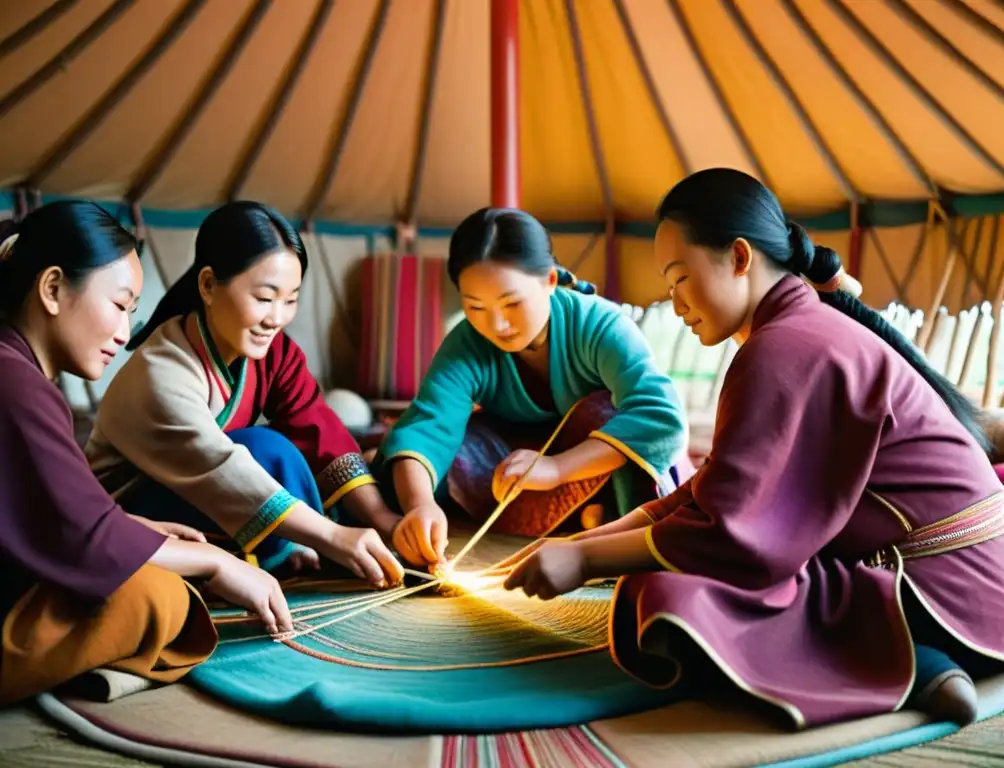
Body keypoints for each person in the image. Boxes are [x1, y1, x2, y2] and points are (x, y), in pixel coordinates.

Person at [499, 169, 1004, 728]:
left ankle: (915, 665)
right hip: (988, 591)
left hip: (940, 596)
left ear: (740, 257)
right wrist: (581, 542)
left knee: (674, 592)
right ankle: (921, 667)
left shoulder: (784, 348)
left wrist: (585, 560)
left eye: (680, 278)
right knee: (688, 566)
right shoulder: (797, 330)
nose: (674, 302)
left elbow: (732, 536)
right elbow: (710, 494)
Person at [0, 201, 293, 705]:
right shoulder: (13, 380)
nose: (123, 330)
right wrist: (211, 563)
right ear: (52, 289)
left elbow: (60, 506)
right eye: (118, 305)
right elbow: (79, 531)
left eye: (133, 311)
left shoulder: (23, 374)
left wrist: (134, 528)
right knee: (157, 597)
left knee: (266, 455)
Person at [85, 202, 404, 588]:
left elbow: (317, 428)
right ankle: (290, 558)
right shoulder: (160, 374)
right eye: (265, 298)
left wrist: (385, 521)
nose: (277, 318)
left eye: (290, 300)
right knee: (268, 449)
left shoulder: (272, 352)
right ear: (207, 285)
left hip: (215, 501)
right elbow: (224, 470)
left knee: (330, 460)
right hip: (133, 520)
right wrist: (332, 536)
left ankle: (303, 551)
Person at [376, 207, 692, 569]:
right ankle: (576, 520)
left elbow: (660, 418)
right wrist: (420, 506)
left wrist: (557, 468)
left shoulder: (599, 324)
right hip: (514, 470)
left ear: (551, 281)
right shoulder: (467, 343)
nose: (497, 324)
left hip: (586, 465)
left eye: (512, 303)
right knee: (433, 454)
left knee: (607, 412)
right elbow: (426, 428)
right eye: (475, 307)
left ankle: (600, 525)